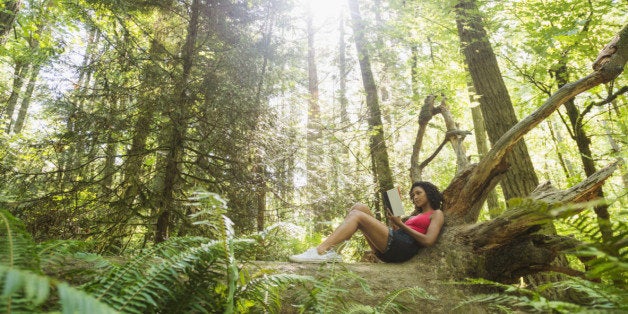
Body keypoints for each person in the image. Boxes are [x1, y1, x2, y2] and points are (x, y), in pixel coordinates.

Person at [289, 181, 445, 263]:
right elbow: (396, 231)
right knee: (359, 207)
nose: (415, 197)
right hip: (394, 243)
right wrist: (396, 217)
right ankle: (333, 252)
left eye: (418, 193)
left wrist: (401, 224)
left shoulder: (436, 214)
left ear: (429, 193)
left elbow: (429, 240)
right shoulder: (413, 216)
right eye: (413, 195)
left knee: (357, 215)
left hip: (402, 250)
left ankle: (320, 251)